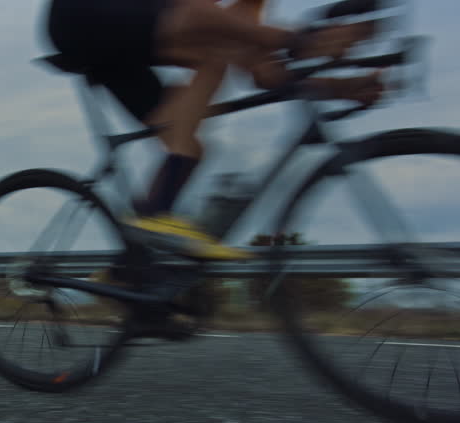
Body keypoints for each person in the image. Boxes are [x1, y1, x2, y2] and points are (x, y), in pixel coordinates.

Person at [45, 0, 385, 261]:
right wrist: (301, 40)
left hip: (119, 46)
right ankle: (157, 216)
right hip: (83, 13)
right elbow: (196, 16)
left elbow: (261, 68)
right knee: (210, 48)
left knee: (193, 145)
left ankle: (134, 267)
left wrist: (342, 87)